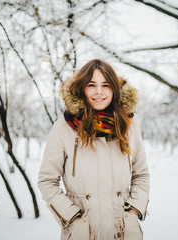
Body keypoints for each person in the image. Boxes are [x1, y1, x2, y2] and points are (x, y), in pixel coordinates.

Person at [38, 59, 150, 240]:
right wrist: (73, 219)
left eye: (106, 85)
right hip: (83, 234)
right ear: (82, 88)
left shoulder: (129, 127)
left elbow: (141, 174)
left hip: (122, 233)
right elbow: (47, 181)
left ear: (114, 89)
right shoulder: (64, 128)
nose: (99, 92)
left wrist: (133, 212)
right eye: (92, 85)